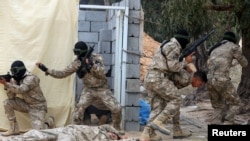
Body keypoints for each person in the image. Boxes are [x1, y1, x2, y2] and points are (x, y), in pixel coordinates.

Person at [35, 41, 122, 131]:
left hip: (102, 88)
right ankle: (74, 130)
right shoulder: (76, 63)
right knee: (79, 109)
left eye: (77, 52)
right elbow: (62, 73)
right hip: (88, 89)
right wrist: (46, 70)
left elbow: (102, 73)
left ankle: (117, 129)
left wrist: (91, 65)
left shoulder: (96, 58)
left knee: (116, 108)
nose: (76, 55)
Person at [140, 29, 203, 141]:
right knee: (176, 99)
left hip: (150, 78)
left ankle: (147, 134)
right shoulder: (174, 46)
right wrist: (186, 62)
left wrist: (184, 65)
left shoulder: (167, 44)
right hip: (159, 78)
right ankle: (159, 122)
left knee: (157, 108)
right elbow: (172, 67)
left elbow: (167, 61)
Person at [0, 60, 55, 136]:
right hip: (27, 104)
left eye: (15, 71)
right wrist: (10, 84)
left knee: (38, 134)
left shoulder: (31, 78)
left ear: (20, 69)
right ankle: (14, 129)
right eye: (12, 71)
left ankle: (49, 122)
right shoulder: (16, 79)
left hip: (38, 107)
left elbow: (21, 90)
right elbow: (11, 97)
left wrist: (7, 84)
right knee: (7, 102)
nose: (13, 73)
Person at [206, 31, 248, 125]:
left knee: (218, 106)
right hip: (222, 80)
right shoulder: (233, 47)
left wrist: (231, 62)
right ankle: (228, 123)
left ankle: (215, 126)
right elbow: (244, 63)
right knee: (235, 102)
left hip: (210, 80)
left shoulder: (215, 48)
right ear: (233, 40)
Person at [2, 124, 139, 141]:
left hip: (72, 137)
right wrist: (120, 135)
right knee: (37, 133)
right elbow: (109, 126)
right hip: (69, 129)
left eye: (114, 137)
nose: (112, 135)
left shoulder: (104, 139)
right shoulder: (104, 129)